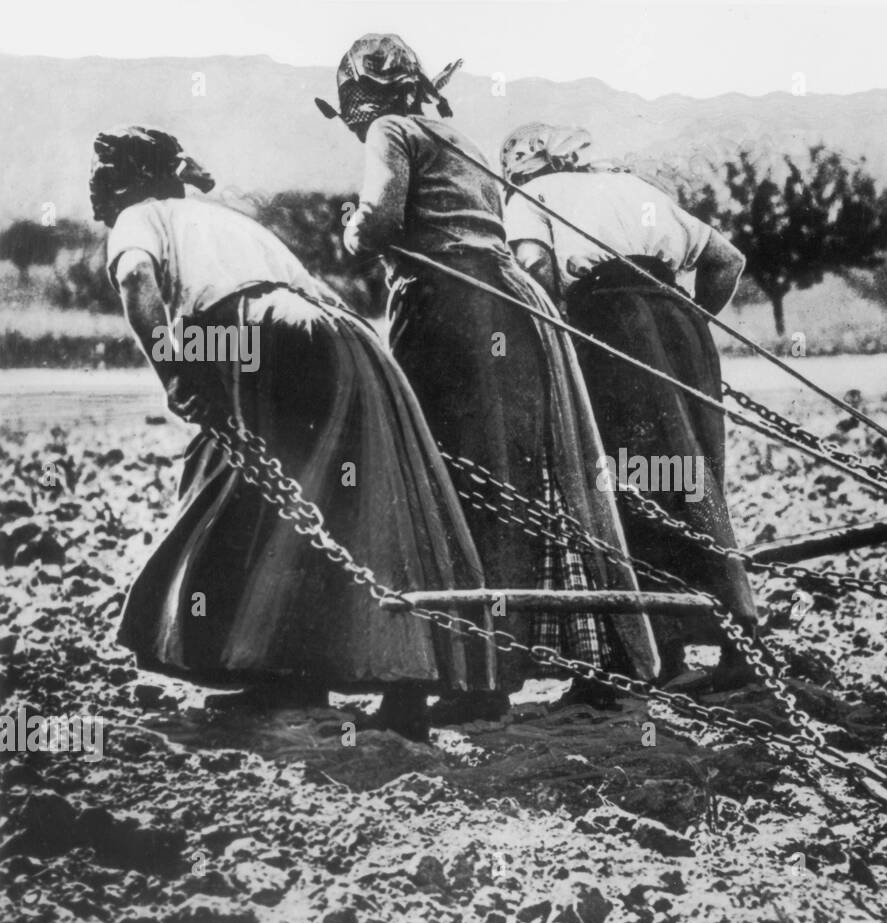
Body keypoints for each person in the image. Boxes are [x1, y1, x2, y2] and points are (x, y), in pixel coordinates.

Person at [93, 125, 496, 738]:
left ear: (126, 185)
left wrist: (173, 370)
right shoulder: (226, 222)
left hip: (254, 333)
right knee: (360, 503)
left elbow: (134, 280)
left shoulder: (140, 217)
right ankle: (395, 687)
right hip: (348, 336)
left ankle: (279, 674)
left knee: (239, 495)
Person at [320, 35, 659, 717]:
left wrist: (353, 233)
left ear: (362, 99)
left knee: (449, 483)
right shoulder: (460, 136)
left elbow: (381, 220)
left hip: (453, 314)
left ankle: (478, 680)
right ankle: (588, 656)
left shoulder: (391, 131)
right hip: (514, 307)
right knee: (532, 478)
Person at [500, 124, 758, 687]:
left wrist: (562, 339)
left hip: (609, 331)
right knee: (693, 479)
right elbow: (727, 261)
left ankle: (664, 653)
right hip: (683, 330)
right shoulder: (633, 187)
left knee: (630, 484)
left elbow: (536, 272)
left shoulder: (528, 199)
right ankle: (742, 639)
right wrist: (683, 322)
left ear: (517, 168)